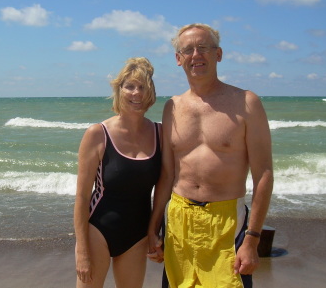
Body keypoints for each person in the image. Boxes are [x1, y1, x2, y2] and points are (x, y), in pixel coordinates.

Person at [147, 23, 274, 288]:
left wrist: (252, 238)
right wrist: (153, 229)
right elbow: (168, 174)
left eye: (203, 47)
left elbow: (263, 174)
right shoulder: (172, 107)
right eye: (188, 50)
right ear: (178, 59)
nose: (197, 55)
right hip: (179, 222)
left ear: (218, 54)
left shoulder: (246, 103)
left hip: (227, 224)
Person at [74, 57, 162, 288]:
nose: (136, 93)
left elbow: (166, 186)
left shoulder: (160, 134)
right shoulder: (98, 133)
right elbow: (82, 196)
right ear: (119, 90)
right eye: (130, 86)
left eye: (142, 87)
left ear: (150, 92)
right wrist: (81, 249)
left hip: (138, 233)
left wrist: (155, 230)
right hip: (98, 230)